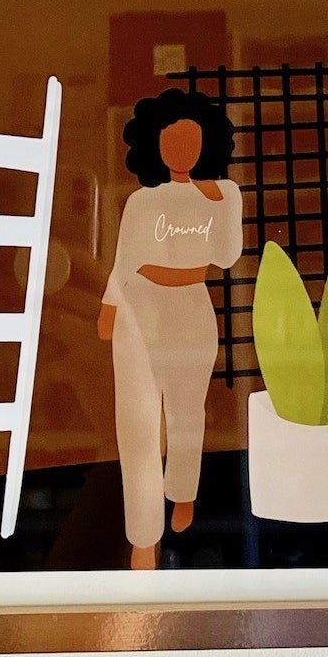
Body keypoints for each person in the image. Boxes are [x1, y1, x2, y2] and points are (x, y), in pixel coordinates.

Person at [97, 88, 243, 569]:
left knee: (185, 413)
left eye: (191, 141)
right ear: (153, 147)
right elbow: (123, 261)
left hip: (191, 309)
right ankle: (142, 535)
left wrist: (213, 195)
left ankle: (182, 491)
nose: (180, 151)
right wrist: (110, 306)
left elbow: (227, 256)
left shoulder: (223, 195)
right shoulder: (141, 202)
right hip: (141, 305)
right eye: (171, 141)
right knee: (137, 421)